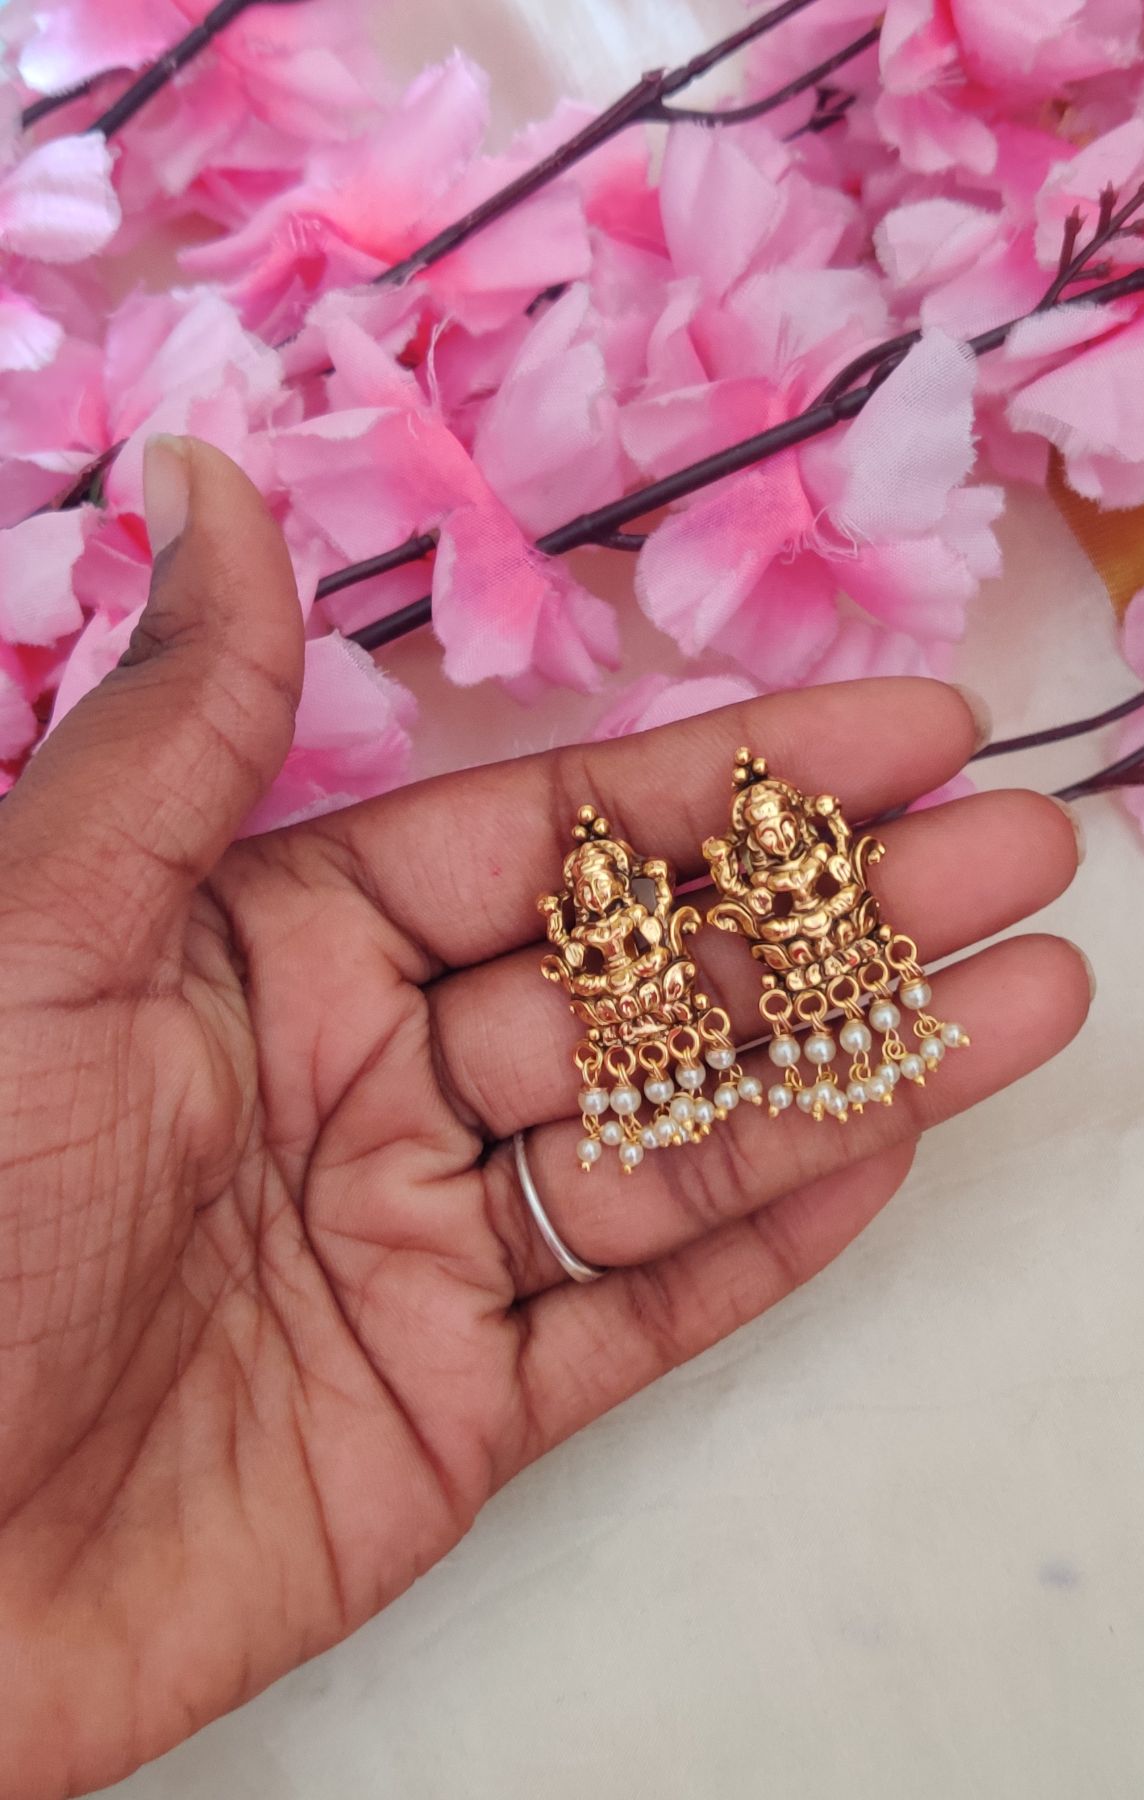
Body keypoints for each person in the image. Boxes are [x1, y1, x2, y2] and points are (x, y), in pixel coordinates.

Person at [0, 439, 1089, 1799]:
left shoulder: (764, 884)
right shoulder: (614, 924)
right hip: (655, 1018)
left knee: (793, 1037)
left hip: (770, 985)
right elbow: (620, 947)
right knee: (710, 1059)